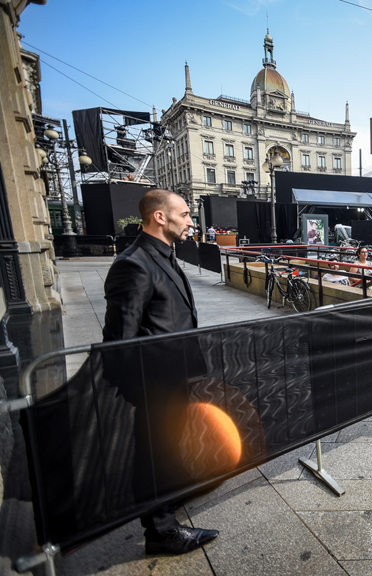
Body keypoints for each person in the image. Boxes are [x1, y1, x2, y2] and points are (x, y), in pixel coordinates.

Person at [103, 189, 219, 555]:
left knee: (168, 447)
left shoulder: (163, 256)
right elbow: (119, 338)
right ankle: (161, 532)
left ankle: (172, 495)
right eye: (184, 214)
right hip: (154, 382)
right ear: (159, 217)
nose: (190, 221)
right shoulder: (134, 263)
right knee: (155, 453)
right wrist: (138, 388)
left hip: (173, 376)